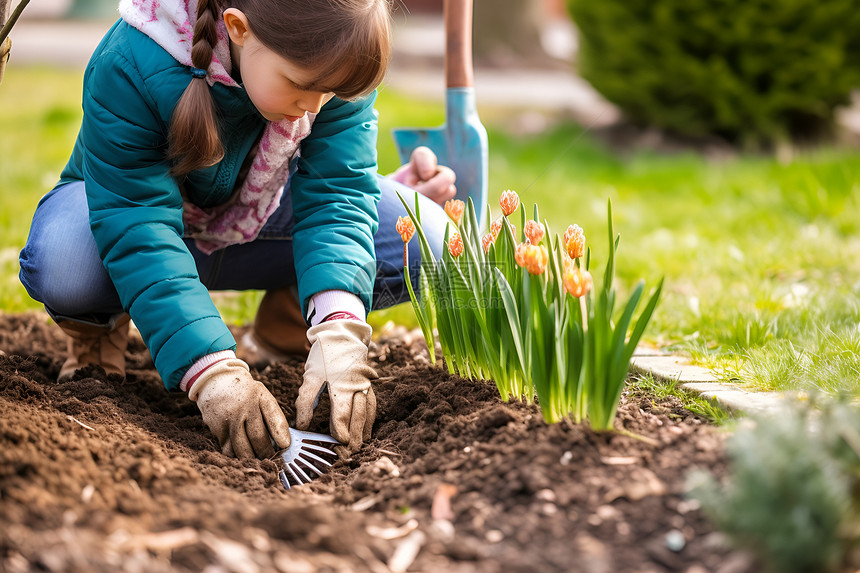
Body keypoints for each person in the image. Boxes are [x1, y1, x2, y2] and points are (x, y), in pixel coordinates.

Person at [18, 0, 456, 461]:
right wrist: (208, 369)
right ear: (238, 29)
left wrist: (340, 325)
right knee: (64, 261)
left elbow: (339, 192)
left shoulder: (330, 61)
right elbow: (136, 223)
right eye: (301, 86)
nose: (314, 107)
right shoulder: (132, 61)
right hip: (134, 222)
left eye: (329, 94)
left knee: (427, 239)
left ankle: (281, 331)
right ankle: (98, 330)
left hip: (261, 214)